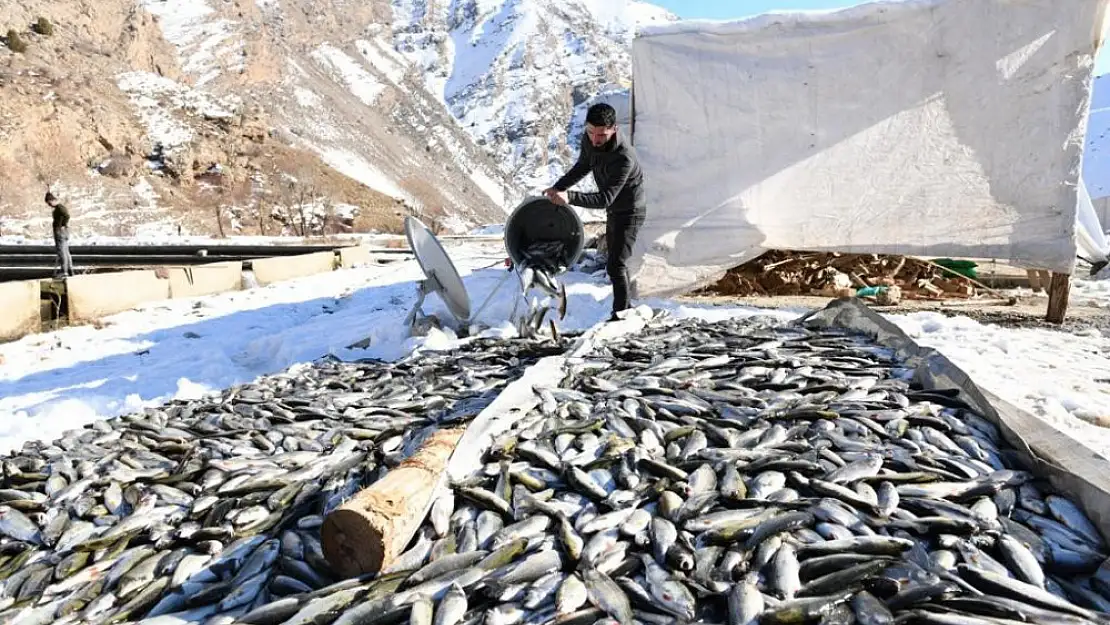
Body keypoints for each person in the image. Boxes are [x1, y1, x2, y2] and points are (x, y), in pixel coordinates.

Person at [544, 102, 646, 322]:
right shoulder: (589, 140)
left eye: (601, 135)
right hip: (614, 210)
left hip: (630, 212)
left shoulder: (623, 158)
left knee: (616, 265)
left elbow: (604, 198)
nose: (595, 139)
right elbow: (583, 166)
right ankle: (624, 309)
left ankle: (620, 315)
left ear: (614, 130)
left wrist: (569, 197)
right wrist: (558, 187)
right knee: (615, 262)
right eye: (591, 132)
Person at [46, 191, 73, 278]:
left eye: (49, 202)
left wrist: (62, 225)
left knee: (62, 252)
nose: (49, 205)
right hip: (63, 232)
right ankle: (69, 270)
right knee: (66, 251)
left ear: (53, 200)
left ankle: (64, 271)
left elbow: (67, 216)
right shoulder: (60, 208)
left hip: (60, 232)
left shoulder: (60, 208)